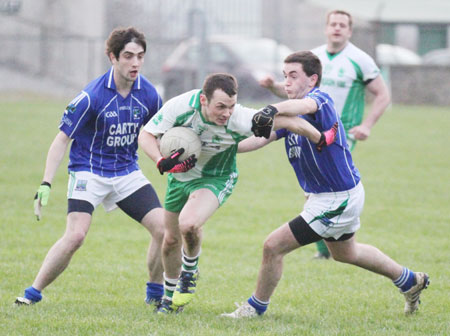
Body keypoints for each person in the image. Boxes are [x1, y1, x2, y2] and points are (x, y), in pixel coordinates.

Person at [221, 51, 429, 318]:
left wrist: (271, 108)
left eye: (294, 76)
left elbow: (303, 107)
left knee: (272, 246)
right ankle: (410, 281)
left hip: (337, 198)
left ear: (313, 79)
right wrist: (224, 149)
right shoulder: (291, 115)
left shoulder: (320, 99)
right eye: (285, 76)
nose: (287, 82)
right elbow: (261, 138)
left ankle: (254, 308)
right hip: (331, 196)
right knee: (346, 253)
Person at [138, 72, 338, 314]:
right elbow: (146, 135)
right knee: (170, 240)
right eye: (220, 106)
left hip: (216, 177)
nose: (226, 113)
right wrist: (160, 161)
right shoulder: (180, 107)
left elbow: (287, 121)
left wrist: (321, 137)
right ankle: (169, 301)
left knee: (189, 224)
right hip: (179, 178)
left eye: (231, 106)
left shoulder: (241, 118)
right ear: (203, 100)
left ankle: (189, 272)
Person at [15, 27, 166, 306]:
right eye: (128, 56)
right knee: (75, 236)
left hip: (127, 173)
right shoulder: (90, 96)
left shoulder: (150, 95)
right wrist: (46, 183)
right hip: (89, 172)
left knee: (163, 229)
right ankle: (31, 294)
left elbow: (159, 133)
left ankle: (155, 295)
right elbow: (61, 140)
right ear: (112, 57)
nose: (135, 63)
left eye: (141, 57)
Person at [259, 10, 391, 259]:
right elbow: (291, 97)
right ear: (326, 28)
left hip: (338, 133)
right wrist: (271, 87)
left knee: (325, 189)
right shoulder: (313, 57)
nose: (337, 28)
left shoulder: (360, 60)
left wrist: (367, 126)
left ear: (350, 31)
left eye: (343, 25)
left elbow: (383, 95)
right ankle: (330, 246)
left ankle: (324, 245)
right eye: (333, 24)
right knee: (317, 192)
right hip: (306, 127)